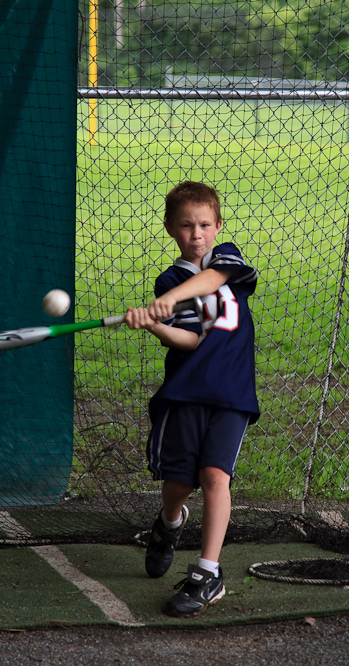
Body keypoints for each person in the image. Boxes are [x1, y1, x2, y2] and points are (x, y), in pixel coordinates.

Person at [125, 181, 260, 617]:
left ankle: (208, 573)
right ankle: (169, 524)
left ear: (218, 225)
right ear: (170, 229)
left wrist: (165, 300)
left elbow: (213, 278)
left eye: (204, 224)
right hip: (187, 389)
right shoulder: (169, 278)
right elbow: (188, 339)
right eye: (186, 226)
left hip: (232, 390)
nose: (197, 234)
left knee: (215, 476)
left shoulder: (227, 259)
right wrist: (153, 323)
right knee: (179, 484)